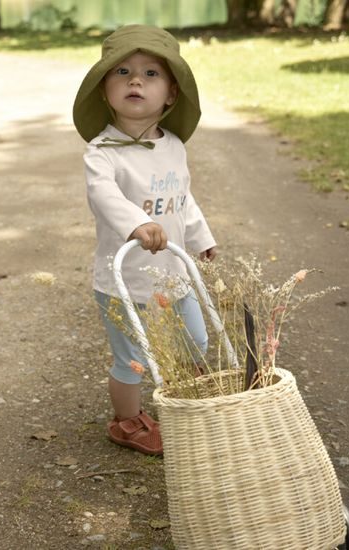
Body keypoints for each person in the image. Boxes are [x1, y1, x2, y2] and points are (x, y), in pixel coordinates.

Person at [73, 25, 217, 455]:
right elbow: (104, 197)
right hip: (125, 279)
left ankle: (187, 400)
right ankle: (127, 420)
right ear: (104, 90)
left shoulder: (173, 145)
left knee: (197, 339)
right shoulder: (102, 152)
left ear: (171, 94)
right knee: (131, 359)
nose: (136, 80)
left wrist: (200, 235)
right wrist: (137, 224)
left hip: (174, 272)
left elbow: (182, 197)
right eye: (122, 72)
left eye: (151, 73)